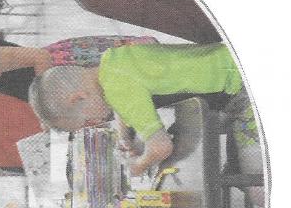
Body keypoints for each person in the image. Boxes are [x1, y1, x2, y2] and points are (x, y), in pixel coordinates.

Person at [30, 42, 243, 175]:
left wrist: (138, 166)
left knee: (255, 194)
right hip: (229, 56)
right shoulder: (111, 62)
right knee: (226, 152)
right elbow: (125, 97)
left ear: (79, 98)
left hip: (242, 86)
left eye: (87, 120)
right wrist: (124, 136)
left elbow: (161, 148)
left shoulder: (118, 91)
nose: (94, 122)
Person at [0, 32, 158, 105]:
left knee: (148, 73)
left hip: (71, 65)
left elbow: (39, 57)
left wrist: (46, 100)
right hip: (68, 71)